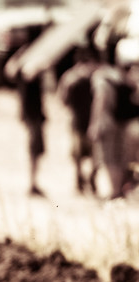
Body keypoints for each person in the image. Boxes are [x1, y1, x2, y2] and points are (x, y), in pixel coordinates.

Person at [89, 40, 139, 200]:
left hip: (106, 122)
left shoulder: (102, 77)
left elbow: (101, 100)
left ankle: (114, 191)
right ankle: (118, 190)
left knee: (110, 158)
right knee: (120, 157)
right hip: (123, 123)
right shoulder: (126, 78)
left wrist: (95, 123)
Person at [56, 45, 100, 194]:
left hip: (83, 121)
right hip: (82, 121)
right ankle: (84, 181)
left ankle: (84, 181)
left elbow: (62, 100)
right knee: (84, 154)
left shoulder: (70, 77)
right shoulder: (91, 77)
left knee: (84, 155)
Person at [19, 72, 48, 197]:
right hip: (34, 121)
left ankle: (33, 182)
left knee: (36, 152)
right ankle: (32, 184)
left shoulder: (30, 82)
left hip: (35, 120)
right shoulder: (29, 82)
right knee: (34, 152)